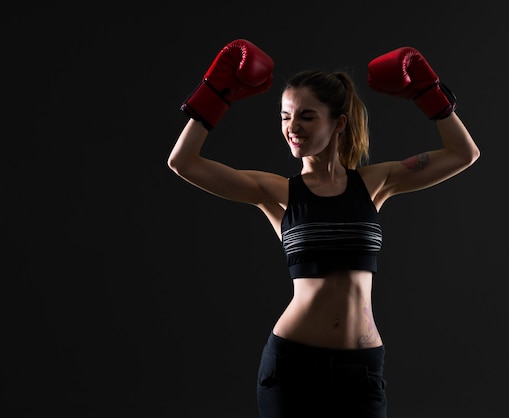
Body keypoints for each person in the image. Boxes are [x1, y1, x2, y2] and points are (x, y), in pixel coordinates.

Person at [167, 39, 479, 418]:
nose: (292, 127)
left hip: (361, 370)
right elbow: (183, 162)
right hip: (293, 366)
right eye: (285, 116)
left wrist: (426, 92)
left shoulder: (374, 183)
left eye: (306, 116)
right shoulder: (276, 192)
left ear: (339, 123)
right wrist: (216, 93)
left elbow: (464, 153)